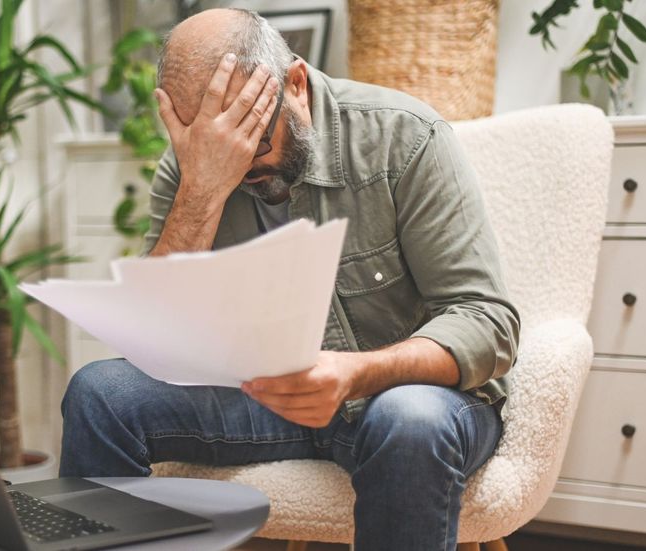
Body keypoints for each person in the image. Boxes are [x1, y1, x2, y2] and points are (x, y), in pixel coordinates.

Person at [60, 8, 520, 550]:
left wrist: (355, 373)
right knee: (99, 393)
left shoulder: (404, 136)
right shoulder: (197, 165)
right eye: (211, 144)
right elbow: (148, 332)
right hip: (268, 398)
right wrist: (201, 190)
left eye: (252, 139)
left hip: (407, 395)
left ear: (295, 84)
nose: (238, 164)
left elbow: (487, 322)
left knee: (409, 418)